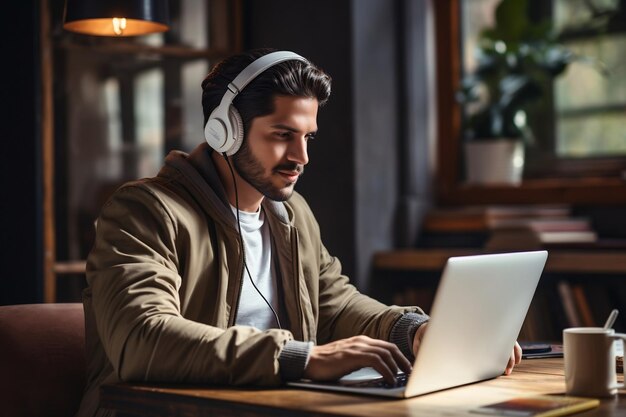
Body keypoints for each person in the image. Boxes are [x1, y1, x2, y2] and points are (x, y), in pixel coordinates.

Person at [76, 48, 521, 417]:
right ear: (224, 132)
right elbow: (143, 339)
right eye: (282, 135)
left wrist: (412, 329)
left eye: (308, 137)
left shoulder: (291, 215)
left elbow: (334, 303)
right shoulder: (143, 212)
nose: (301, 156)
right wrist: (302, 358)